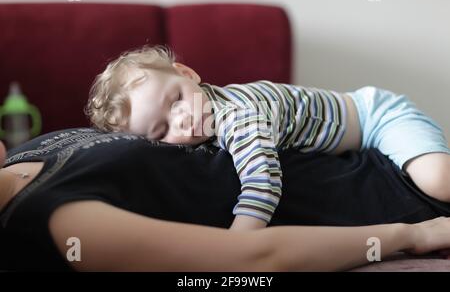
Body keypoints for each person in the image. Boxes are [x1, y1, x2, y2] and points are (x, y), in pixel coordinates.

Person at [85, 45, 450, 231]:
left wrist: (237, 241)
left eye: (176, 100)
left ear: (188, 73)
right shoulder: (201, 118)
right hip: (351, 134)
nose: (183, 121)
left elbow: (263, 181)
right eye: (162, 131)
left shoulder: (238, 118)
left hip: (376, 115)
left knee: (438, 181)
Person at [1, 129, 450, 271]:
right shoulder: (59, 220)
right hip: (388, 200)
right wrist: (411, 233)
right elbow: (251, 258)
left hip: (381, 157)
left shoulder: (22, 153)